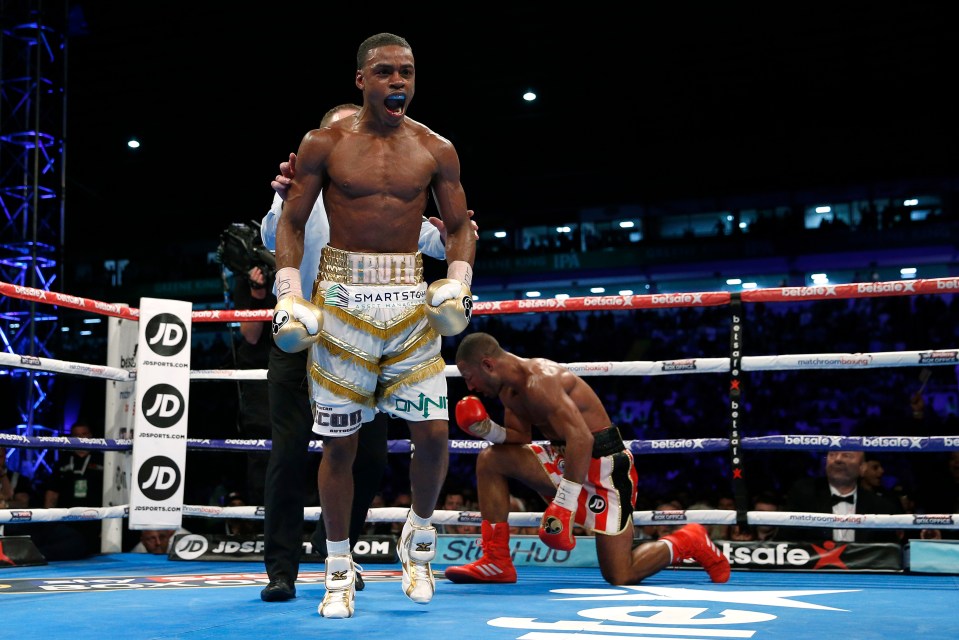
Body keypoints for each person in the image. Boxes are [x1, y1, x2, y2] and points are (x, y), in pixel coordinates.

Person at [272, 33, 476, 618]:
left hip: (411, 298)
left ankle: (419, 537)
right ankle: (338, 569)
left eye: (406, 72)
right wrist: (289, 294)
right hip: (341, 299)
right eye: (385, 72)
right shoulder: (324, 144)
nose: (398, 82)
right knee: (339, 447)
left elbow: (461, 225)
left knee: (434, 433)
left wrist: (457, 283)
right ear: (361, 80)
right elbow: (290, 222)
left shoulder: (436, 149)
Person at [443, 332, 730, 586]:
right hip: (564, 459)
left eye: (469, 377)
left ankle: (687, 540)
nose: (470, 387)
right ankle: (496, 560)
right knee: (491, 458)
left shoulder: (539, 381)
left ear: (488, 364)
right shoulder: (508, 391)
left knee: (620, 575)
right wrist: (487, 429)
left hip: (604, 466)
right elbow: (520, 437)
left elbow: (582, 438)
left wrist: (564, 505)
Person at [784, 450, 901, 543]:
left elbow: (887, 554)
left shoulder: (880, 506)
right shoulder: (804, 493)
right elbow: (786, 541)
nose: (838, 459)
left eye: (847, 455)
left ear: (862, 468)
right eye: (832, 455)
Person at [232, 265, 275, 507]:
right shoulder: (248, 278)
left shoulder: (307, 268)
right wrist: (258, 293)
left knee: (308, 445)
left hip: (301, 370)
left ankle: (308, 523)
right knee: (263, 447)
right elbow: (250, 334)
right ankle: (262, 520)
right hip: (262, 377)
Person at [40, 421, 105, 558]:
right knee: (69, 549)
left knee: (94, 556)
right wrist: (48, 522)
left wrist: (107, 525)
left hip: (95, 519)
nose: (81, 438)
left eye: (84, 434)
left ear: (91, 435)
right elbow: (52, 492)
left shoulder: (104, 460)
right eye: (76, 435)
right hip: (68, 519)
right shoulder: (63, 461)